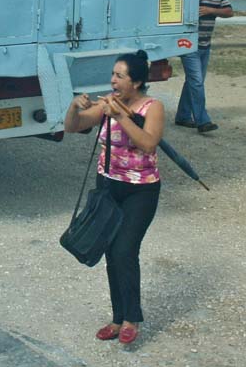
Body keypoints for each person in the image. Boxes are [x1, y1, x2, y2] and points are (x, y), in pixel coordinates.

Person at [63, 50, 164, 346]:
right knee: (110, 252)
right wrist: (74, 106)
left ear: (136, 82)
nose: (113, 81)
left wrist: (120, 116)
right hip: (108, 187)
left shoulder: (152, 107)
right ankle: (117, 318)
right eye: (113, 75)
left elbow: (148, 143)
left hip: (141, 190)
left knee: (125, 251)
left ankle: (132, 319)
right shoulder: (108, 102)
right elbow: (73, 126)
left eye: (120, 76)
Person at [175, 0, 233, 133]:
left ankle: (183, 116)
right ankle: (202, 120)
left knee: (194, 81)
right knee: (197, 82)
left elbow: (229, 11)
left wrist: (211, 11)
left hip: (205, 44)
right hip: (189, 45)